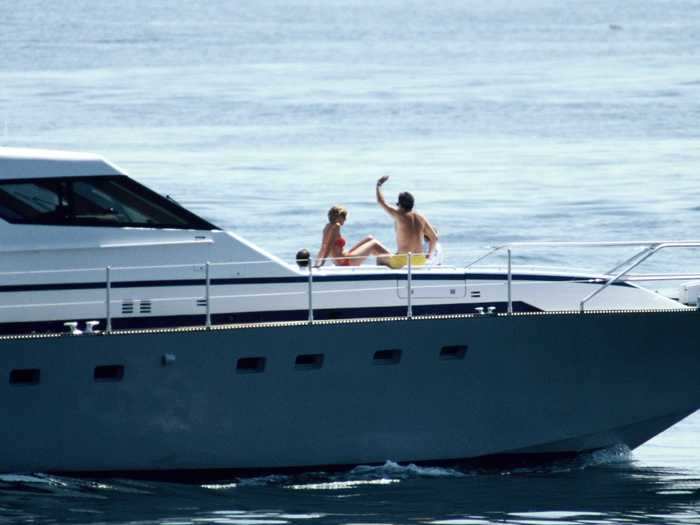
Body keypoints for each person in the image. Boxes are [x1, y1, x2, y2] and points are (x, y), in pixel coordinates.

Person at [375, 175, 439, 269]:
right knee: (395, 256)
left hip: (402, 261)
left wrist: (379, 184)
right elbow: (434, 237)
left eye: (397, 204)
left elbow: (381, 202)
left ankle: (391, 281)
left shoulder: (399, 214)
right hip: (419, 261)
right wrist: (429, 256)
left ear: (400, 205)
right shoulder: (421, 217)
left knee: (380, 259)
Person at [315, 205, 392, 267]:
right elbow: (328, 246)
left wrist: (316, 263)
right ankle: (392, 260)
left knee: (369, 238)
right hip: (345, 262)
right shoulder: (336, 226)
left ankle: (385, 260)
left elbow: (323, 247)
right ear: (338, 217)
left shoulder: (326, 227)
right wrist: (322, 263)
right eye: (344, 217)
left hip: (343, 259)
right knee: (373, 243)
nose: (345, 220)